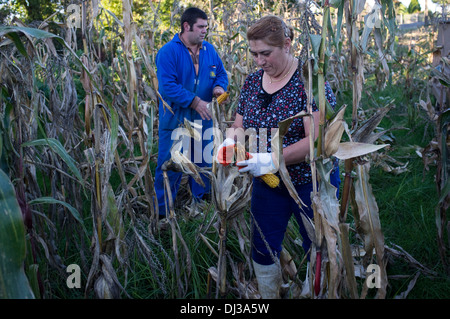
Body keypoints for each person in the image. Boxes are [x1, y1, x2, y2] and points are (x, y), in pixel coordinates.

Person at [216, 15, 340, 298]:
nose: (259, 61)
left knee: (318, 246)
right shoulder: (252, 83)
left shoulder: (309, 83)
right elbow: (239, 124)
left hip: (311, 183)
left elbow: (318, 142)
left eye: (266, 53)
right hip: (269, 181)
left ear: (287, 44)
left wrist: (272, 159)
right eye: (254, 54)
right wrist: (229, 141)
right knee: (262, 245)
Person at [155, 7, 228, 216]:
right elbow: (167, 86)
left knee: (203, 165)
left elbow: (221, 74)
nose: (206, 30)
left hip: (203, 120)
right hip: (176, 120)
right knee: (169, 167)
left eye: (207, 26)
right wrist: (194, 101)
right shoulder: (168, 52)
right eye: (201, 26)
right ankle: (162, 214)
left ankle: (199, 209)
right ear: (187, 26)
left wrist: (219, 88)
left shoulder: (209, 50)